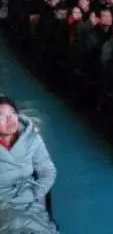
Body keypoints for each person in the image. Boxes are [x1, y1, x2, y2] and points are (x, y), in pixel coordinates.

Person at [0, 97, 58, 234]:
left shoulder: (31, 138)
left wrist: (35, 194)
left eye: (12, 113)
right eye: (1, 116)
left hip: (28, 199)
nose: (10, 119)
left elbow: (47, 171)